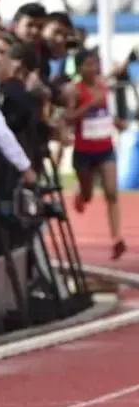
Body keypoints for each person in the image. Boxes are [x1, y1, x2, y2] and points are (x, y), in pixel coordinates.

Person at [63, 48, 128, 259]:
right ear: (79, 68)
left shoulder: (102, 85)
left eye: (95, 64)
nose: (92, 68)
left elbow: (105, 113)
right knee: (88, 194)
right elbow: (69, 118)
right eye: (87, 65)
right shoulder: (75, 90)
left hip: (105, 149)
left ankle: (117, 238)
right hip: (84, 152)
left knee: (111, 192)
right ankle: (81, 194)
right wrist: (89, 104)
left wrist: (116, 122)